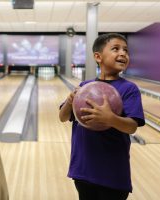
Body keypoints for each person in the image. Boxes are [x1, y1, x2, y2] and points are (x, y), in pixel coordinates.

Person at [59, 33, 145, 200]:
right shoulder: (85, 86)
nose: (123, 53)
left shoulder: (129, 89)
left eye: (126, 50)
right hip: (82, 170)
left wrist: (110, 118)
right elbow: (62, 117)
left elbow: (132, 126)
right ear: (98, 56)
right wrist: (70, 101)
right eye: (116, 49)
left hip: (112, 174)